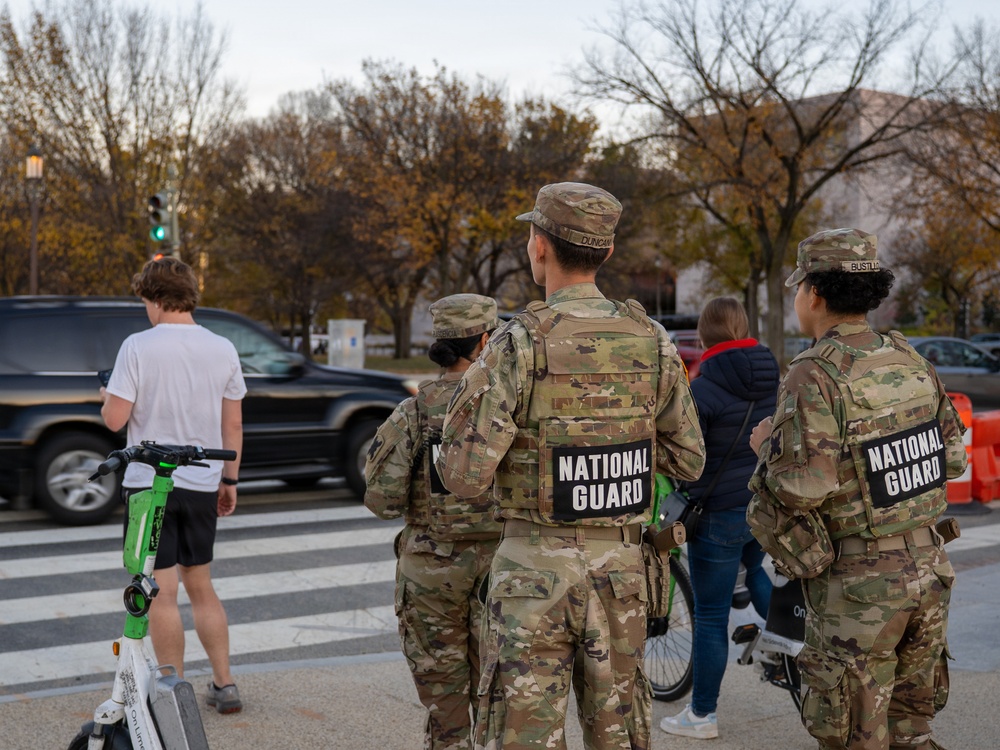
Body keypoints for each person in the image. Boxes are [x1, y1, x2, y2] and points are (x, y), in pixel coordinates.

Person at [436, 182, 706, 750]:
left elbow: (461, 476)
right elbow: (688, 457)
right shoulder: (653, 342)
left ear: (538, 246)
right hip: (622, 571)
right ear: (605, 252)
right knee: (620, 736)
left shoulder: (513, 346)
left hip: (533, 575)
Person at [747, 228, 967, 750]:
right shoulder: (910, 359)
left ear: (816, 294)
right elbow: (952, 460)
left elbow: (803, 489)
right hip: (929, 573)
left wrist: (765, 449)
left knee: (855, 739)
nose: (797, 299)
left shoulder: (813, 374)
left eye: (799, 288)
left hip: (861, 595)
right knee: (912, 735)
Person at [100, 257, 247, 714]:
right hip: (203, 482)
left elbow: (114, 420)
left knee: (158, 589)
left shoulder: (138, 346)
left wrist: (107, 395)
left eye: (144, 300)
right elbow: (234, 425)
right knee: (201, 585)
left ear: (154, 298)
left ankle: (174, 692)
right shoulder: (223, 347)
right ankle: (224, 685)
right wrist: (229, 480)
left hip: (150, 486)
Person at [364, 293, 502, 750]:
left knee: (444, 704)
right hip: (501, 571)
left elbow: (382, 500)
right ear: (484, 342)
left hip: (431, 572)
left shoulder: (413, 412)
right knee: (502, 697)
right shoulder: (507, 408)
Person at [660, 296, 778, 740]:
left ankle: (702, 715)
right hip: (759, 505)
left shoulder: (703, 389)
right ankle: (797, 640)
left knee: (710, 616)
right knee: (756, 567)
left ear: (705, 336)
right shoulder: (774, 376)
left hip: (716, 516)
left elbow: (688, 460)